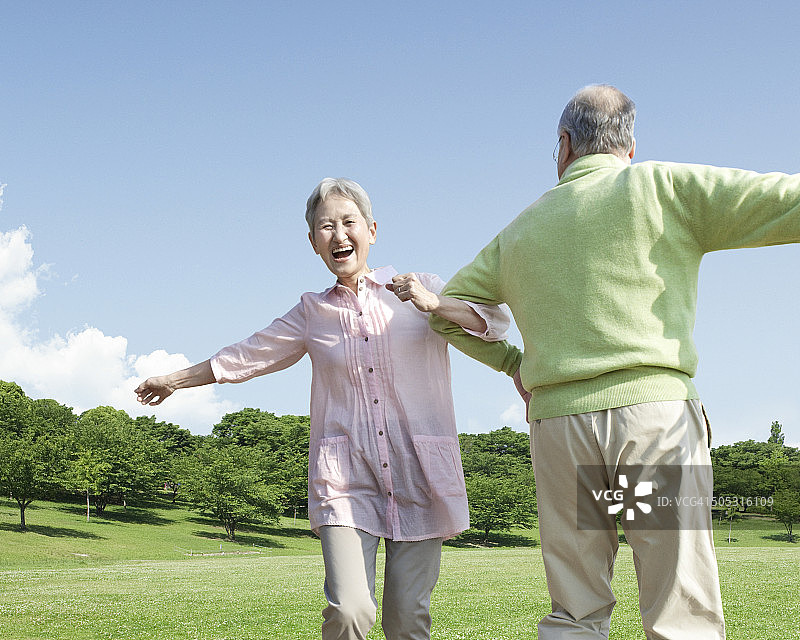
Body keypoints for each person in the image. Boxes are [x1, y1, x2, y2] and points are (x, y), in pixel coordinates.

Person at [429, 84, 800, 639]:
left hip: (559, 427)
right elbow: (786, 201)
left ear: (564, 144)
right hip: (651, 420)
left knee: (576, 606)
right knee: (680, 606)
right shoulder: (661, 185)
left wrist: (513, 364)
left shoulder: (519, 230)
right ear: (629, 144)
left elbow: (442, 313)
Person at [135, 177, 517, 640]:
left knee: (408, 619)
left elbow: (495, 323)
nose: (339, 235)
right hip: (346, 480)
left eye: (349, 222)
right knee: (351, 611)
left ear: (372, 230)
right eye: (325, 227)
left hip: (421, 476)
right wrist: (175, 379)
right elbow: (249, 354)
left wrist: (434, 303)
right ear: (313, 242)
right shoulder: (312, 312)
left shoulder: (422, 290)